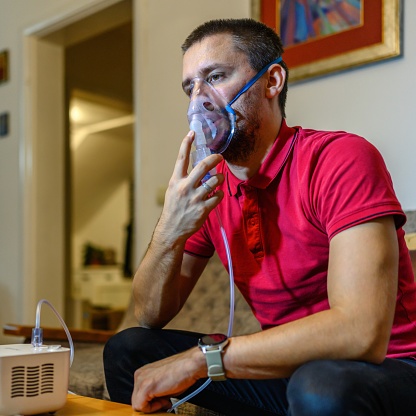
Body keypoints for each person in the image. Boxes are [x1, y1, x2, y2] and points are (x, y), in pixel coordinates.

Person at [104, 18, 416, 415]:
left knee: (319, 387)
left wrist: (202, 359)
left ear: (272, 82)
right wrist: (169, 228)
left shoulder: (340, 159)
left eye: (214, 77)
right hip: (289, 373)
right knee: (130, 350)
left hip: (390, 368)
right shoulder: (211, 188)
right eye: (190, 87)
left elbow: (359, 333)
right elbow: (149, 314)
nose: (199, 101)